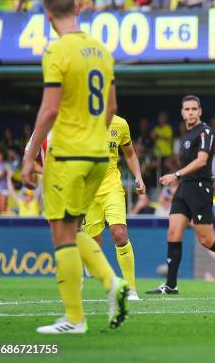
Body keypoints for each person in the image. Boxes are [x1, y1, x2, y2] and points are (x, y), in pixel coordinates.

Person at [21, 0, 129, 334]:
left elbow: (50, 109)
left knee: (61, 233)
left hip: (68, 154)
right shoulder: (101, 50)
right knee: (72, 228)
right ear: (78, 9)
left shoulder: (57, 51)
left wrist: (28, 153)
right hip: (99, 155)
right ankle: (114, 282)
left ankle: (75, 318)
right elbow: (111, 108)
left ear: (48, 15)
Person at [146, 95, 215, 296]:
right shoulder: (185, 136)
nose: (190, 112)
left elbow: (202, 160)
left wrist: (175, 174)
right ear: (182, 112)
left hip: (200, 189)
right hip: (184, 188)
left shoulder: (205, 132)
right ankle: (171, 285)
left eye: (193, 109)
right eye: (186, 109)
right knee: (173, 233)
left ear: (200, 111)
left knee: (206, 239)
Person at [82, 115, 146, 301]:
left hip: (112, 187)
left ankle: (131, 289)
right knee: (93, 240)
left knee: (119, 233)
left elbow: (130, 153)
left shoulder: (120, 123)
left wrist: (139, 177)